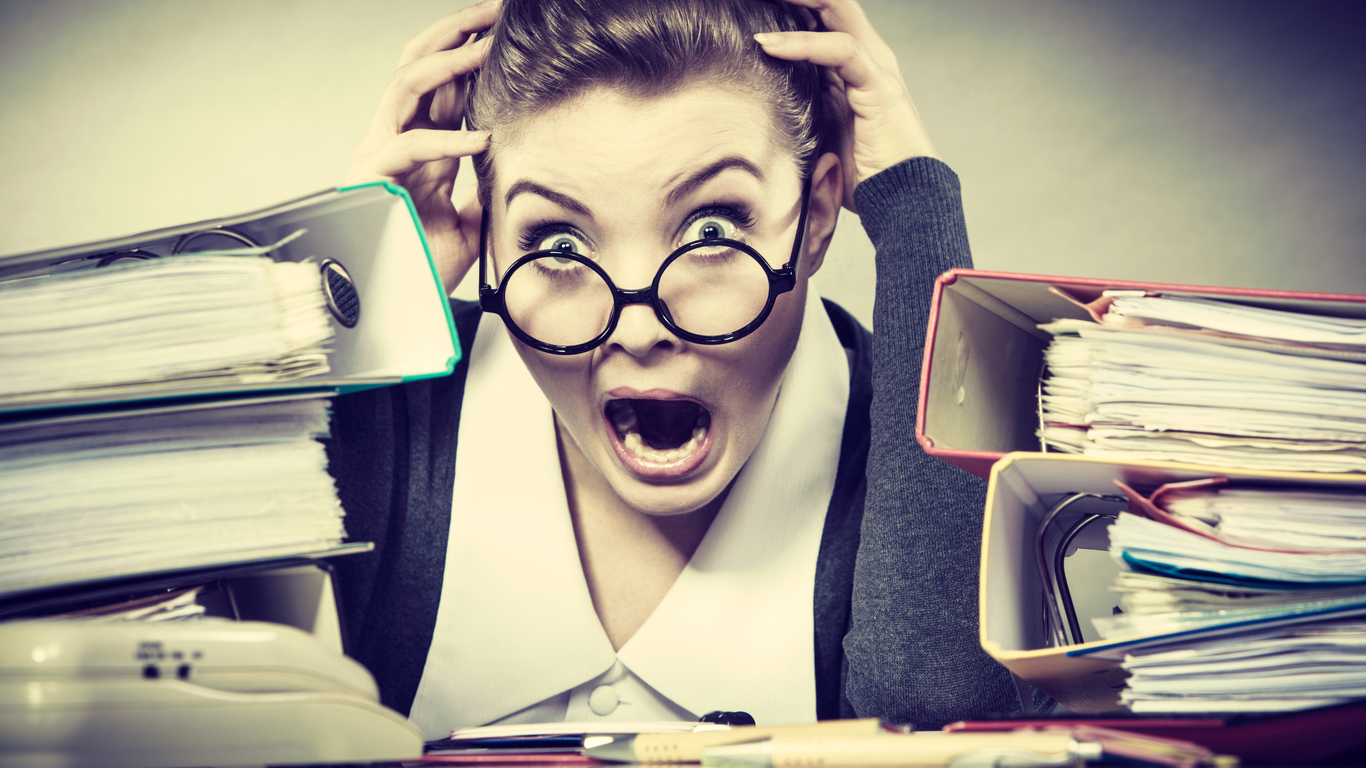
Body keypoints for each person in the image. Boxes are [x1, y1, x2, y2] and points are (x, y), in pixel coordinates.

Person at [332, 0, 1021, 738]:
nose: (637, 329)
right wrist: (359, 302)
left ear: (816, 218)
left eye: (712, 230)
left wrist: (915, 204)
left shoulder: (911, 440)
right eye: (559, 244)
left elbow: (939, 718)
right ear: (488, 235)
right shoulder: (391, 395)